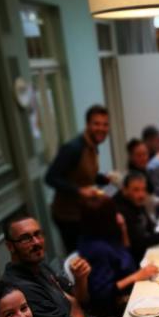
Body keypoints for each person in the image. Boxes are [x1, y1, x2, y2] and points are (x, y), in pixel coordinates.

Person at [2, 215, 118, 317]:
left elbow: (83, 300)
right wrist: (75, 304)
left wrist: (81, 279)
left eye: (37, 234)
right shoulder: (20, 289)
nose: (36, 242)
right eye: (26, 238)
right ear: (10, 246)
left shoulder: (39, 266)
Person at [45, 104, 113, 253]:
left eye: (105, 124)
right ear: (88, 125)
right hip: (68, 216)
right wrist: (79, 191)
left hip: (83, 212)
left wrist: (102, 178)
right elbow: (50, 178)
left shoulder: (93, 145)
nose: (101, 128)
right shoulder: (73, 148)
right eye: (96, 124)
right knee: (79, 258)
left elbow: (82, 175)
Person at [78, 197, 158, 317]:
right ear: (105, 218)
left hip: (130, 285)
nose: (119, 214)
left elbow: (126, 253)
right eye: (114, 212)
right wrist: (137, 275)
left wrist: (123, 228)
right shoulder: (98, 249)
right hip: (116, 305)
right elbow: (102, 293)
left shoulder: (101, 233)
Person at [114, 172, 159, 264]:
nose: (141, 195)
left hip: (147, 250)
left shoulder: (135, 201)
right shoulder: (122, 211)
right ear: (125, 190)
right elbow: (139, 244)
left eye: (143, 189)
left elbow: (150, 227)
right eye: (136, 190)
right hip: (137, 260)